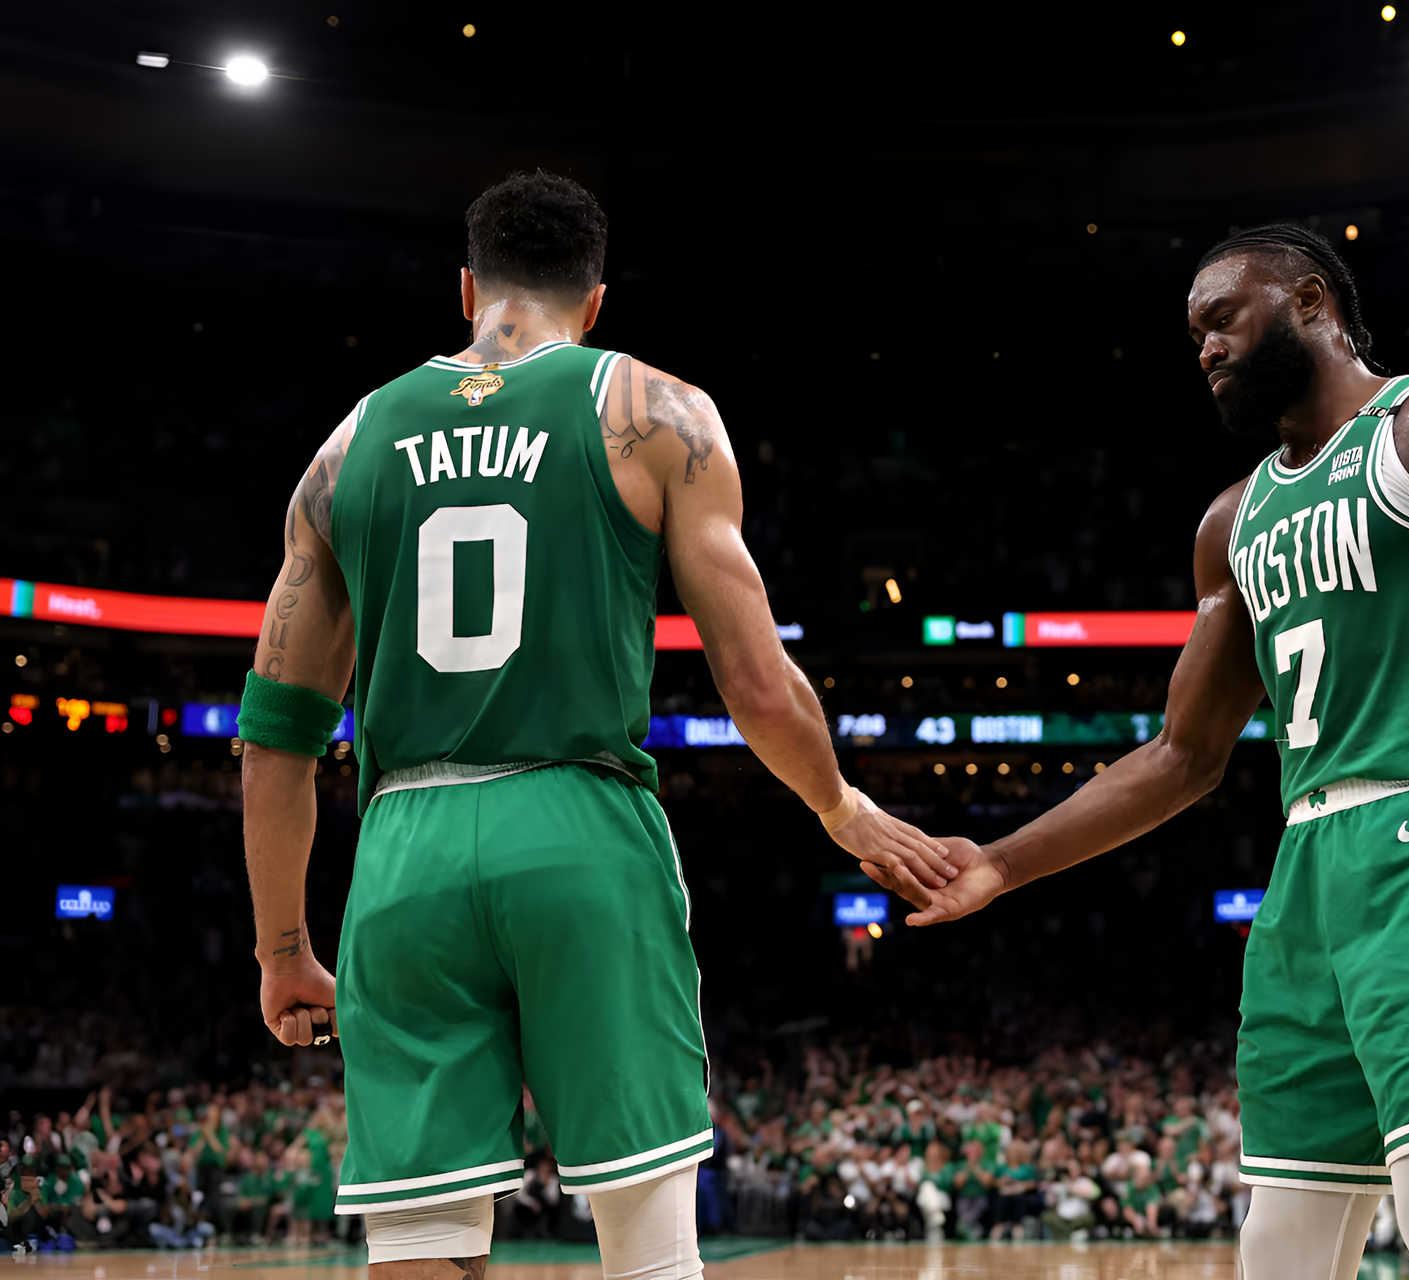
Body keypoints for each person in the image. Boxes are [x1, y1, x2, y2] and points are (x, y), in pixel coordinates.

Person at [863, 221, 1409, 1280]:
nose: (1207, 347)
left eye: (1223, 317)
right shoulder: (1233, 522)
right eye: (1193, 335)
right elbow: (1182, 755)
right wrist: (999, 862)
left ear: (1311, 302)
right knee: (1280, 1252)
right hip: (1309, 865)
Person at [238, 170, 952, 1280]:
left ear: (466, 286)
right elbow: (757, 685)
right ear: (599, 300)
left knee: (422, 1242)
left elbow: (275, 732)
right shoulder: (657, 412)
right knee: (649, 1242)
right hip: (580, 821)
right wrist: (838, 803)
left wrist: (283, 948)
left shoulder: (347, 446)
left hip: (405, 847)